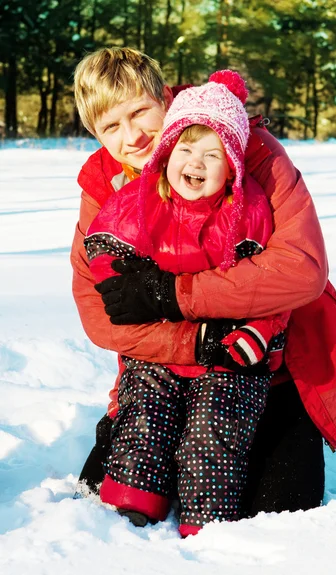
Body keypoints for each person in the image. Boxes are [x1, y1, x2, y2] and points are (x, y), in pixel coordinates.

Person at [71, 47, 336, 518]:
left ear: (164, 98)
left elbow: (301, 268)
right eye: (111, 126)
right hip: (162, 372)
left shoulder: (247, 145)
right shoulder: (105, 186)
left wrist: (174, 295)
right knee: (106, 502)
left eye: (141, 112)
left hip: (269, 367)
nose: (134, 136)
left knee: (278, 513)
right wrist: (198, 342)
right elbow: (101, 314)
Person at [84, 71, 290, 536]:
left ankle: (206, 521)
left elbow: (278, 284)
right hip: (160, 351)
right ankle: (135, 503)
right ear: (168, 153)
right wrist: (126, 285)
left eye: (212, 154)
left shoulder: (250, 208)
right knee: (145, 417)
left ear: (233, 164)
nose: (195, 162)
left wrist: (256, 332)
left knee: (213, 433)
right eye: (185, 149)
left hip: (232, 355)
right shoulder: (142, 197)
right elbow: (105, 245)